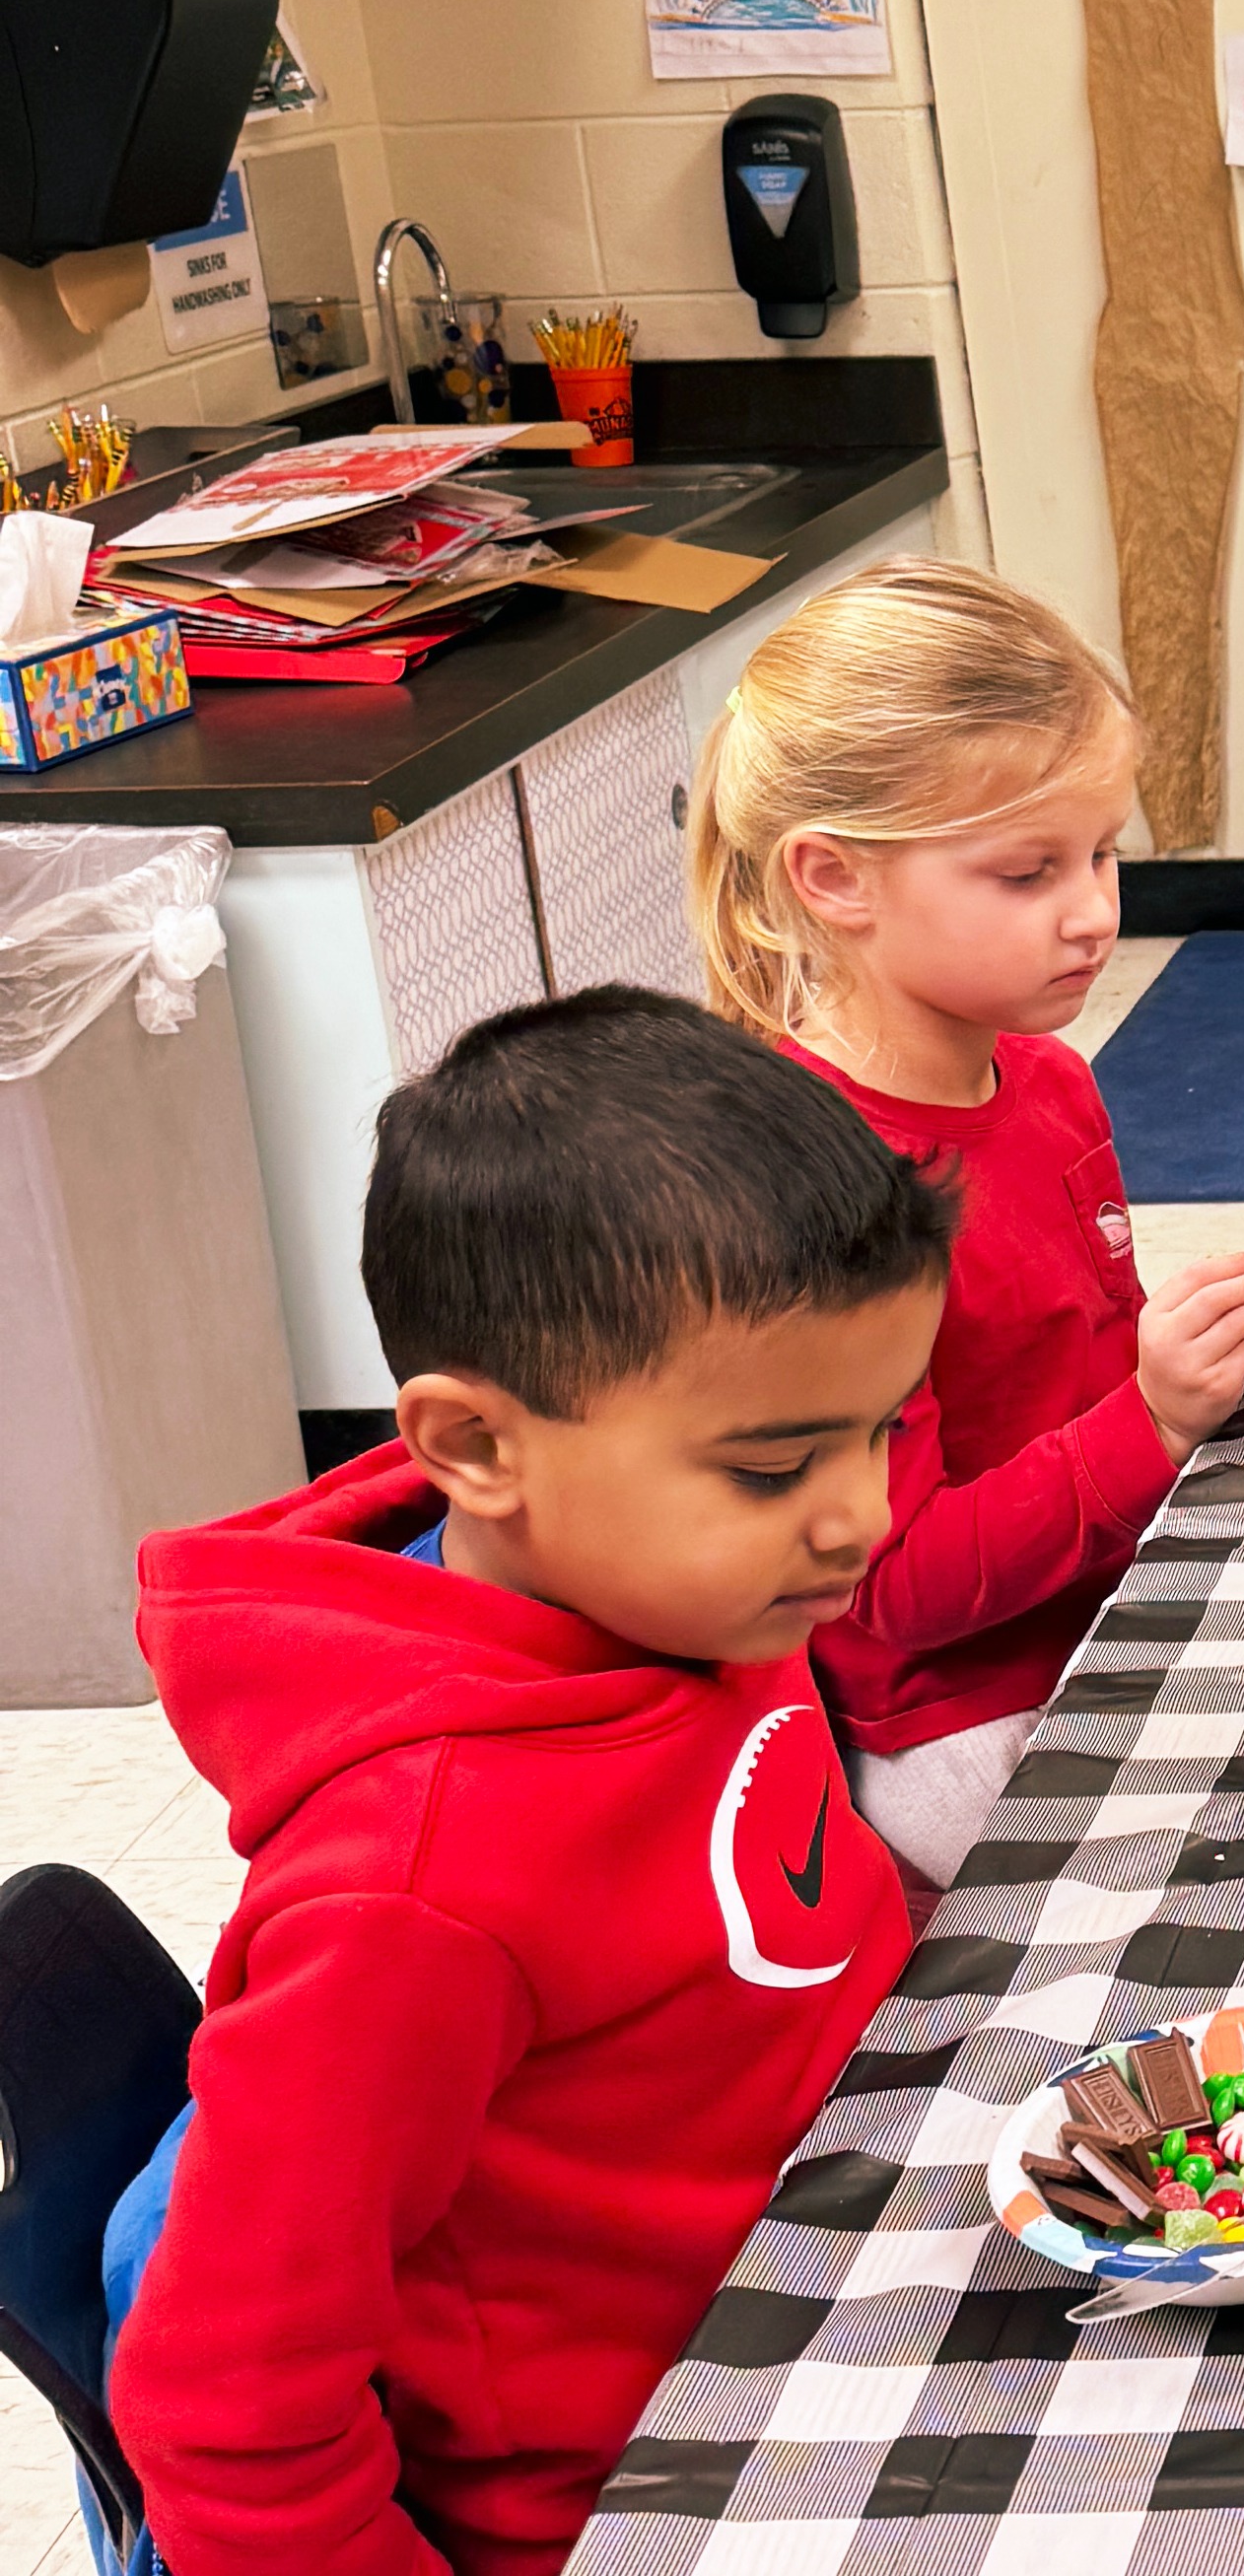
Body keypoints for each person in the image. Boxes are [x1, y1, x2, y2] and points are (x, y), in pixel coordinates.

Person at [107, 990, 946, 2576]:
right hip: (658, 2489)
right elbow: (221, 2403)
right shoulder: (413, 1891)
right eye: (776, 1466)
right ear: (474, 1448)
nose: (860, 1518)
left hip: (856, 2286)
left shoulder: (680, 1583)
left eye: (882, 1435)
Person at [687, 562, 1244, 1903]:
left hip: (1104, 1600)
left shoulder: (1048, 1080)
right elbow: (887, 1595)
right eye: (1028, 872)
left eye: (1101, 853)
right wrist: (1151, 1417)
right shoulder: (813, 1195)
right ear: (834, 878)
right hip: (961, 1714)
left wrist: (1175, 1355)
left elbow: (1056, 1372)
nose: (1093, 912)